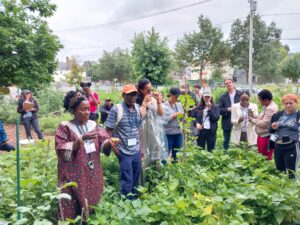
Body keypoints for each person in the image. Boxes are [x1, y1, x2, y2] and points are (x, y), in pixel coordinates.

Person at [55, 90, 117, 221]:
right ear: (74, 110)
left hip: (92, 173)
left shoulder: (93, 125)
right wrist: (79, 140)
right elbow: (61, 150)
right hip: (73, 174)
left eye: (88, 109)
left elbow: (103, 143)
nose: (87, 112)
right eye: (83, 109)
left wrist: (109, 144)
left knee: (91, 203)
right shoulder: (65, 127)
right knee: (71, 203)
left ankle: (87, 220)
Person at [106, 85, 148, 199]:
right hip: (123, 151)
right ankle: (126, 203)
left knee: (136, 176)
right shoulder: (116, 109)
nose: (132, 97)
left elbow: (138, 129)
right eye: (129, 95)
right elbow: (108, 131)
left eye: (134, 95)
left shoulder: (138, 109)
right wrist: (115, 148)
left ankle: (134, 200)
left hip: (136, 150)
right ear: (123, 95)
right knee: (127, 178)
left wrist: (141, 148)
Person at [270, 94, 300, 179]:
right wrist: (273, 127)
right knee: (279, 169)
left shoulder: (298, 115)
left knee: (291, 171)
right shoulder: (279, 114)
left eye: (291, 103)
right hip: (278, 145)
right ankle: (281, 189)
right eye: (286, 103)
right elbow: (271, 130)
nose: (288, 105)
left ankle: (291, 189)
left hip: (292, 146)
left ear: (296, 103)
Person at [136, 78, 164, 168]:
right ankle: (144, 177)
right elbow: (140, 116)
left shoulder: (152, 99)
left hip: (154, 130)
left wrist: (159, 101)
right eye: (148, 90)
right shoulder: (136, 100)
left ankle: (155, 174)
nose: (150, 91)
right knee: (144, 153)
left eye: (151, 89)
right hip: (142, 131)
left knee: (155, 151)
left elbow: (160, 113)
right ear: (141, 90)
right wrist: (144, 102)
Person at [249, 89, 278, 160]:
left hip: (266, 136)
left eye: (260, 100)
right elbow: (263, 118)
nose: (259, 101)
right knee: (261, 155)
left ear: (266, 100)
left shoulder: (271, 108)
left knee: (265, 157)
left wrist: (252, 120)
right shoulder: (268, 106)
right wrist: (254, 116)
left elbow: (264, 124)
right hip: (262, 135)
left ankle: (266, 170)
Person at [218, 78, 242, 150]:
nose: (228, 84)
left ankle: (238, 152)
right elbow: (219, 109)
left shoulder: (240, 94)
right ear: (225, 85)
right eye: (226, 83)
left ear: (233, 83)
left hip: (239, 119)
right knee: (226, 139)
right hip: (227, 119)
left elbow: (246, 105)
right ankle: (226, 153)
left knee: (239, 137)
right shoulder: (223, 97)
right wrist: (227, 109)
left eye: (229, 82)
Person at [163, 87, 184, 163]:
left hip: (178, 133)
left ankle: (174, 169)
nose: (177, 98)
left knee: (176, 153)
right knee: (166, 152)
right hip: (168, 133)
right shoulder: (164, 105)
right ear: (171, 95)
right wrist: (174, 115)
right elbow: (164, 119)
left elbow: (182, 115)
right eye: (176, 96)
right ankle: (163, 170)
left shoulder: (179, 104)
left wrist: (184, 116)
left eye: (178, 96)